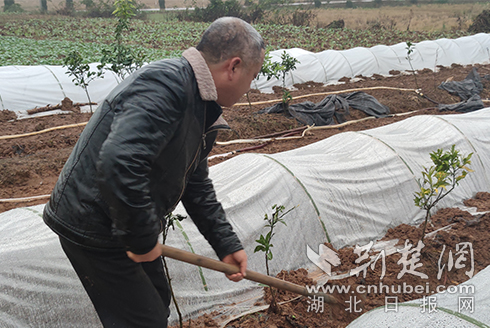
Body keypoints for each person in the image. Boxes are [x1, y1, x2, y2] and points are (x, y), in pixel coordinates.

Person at [43, 16, 265, 327]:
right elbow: (119, 160)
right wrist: (142, 237)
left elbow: (195, 183)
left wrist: (225, 244)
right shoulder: (166, 85)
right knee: (142, 320)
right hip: (93, 222)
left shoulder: (202, 106)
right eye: (253, 76)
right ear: (234, 67)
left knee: (156, 305)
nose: (250, 87)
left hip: (122, 217)